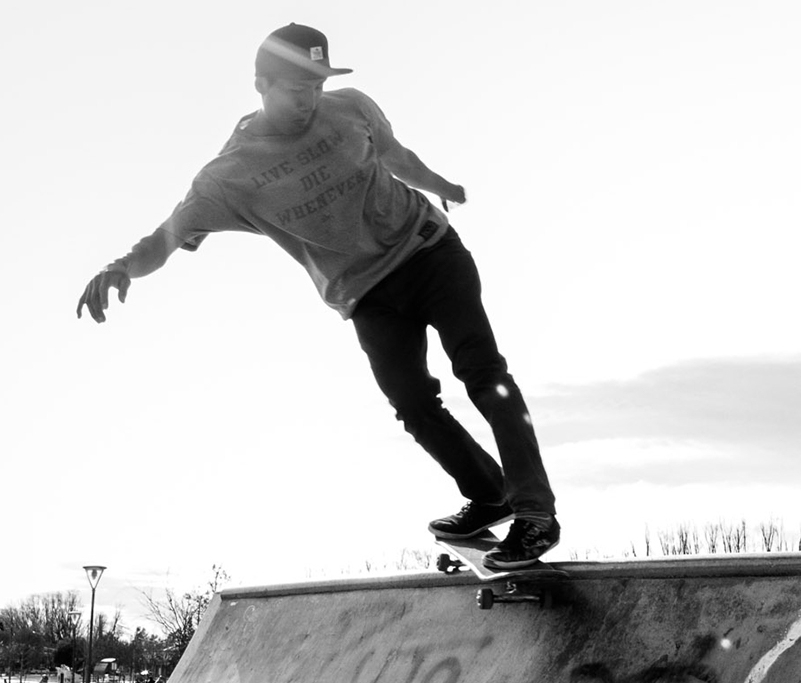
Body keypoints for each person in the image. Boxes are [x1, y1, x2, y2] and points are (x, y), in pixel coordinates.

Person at [75, 24, 559, 566]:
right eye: (293, 89)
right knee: (413, 405)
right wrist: (121, 266)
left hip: (430, 253)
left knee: (483, 373)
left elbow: (395, 155)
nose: (308, 101)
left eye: (315, 87)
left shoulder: (351, 107)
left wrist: (442, 187)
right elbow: (166, 237)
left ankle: (535, 514)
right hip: (366, 294)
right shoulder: (229, 176)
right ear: (260, 84)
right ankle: (488, 493)